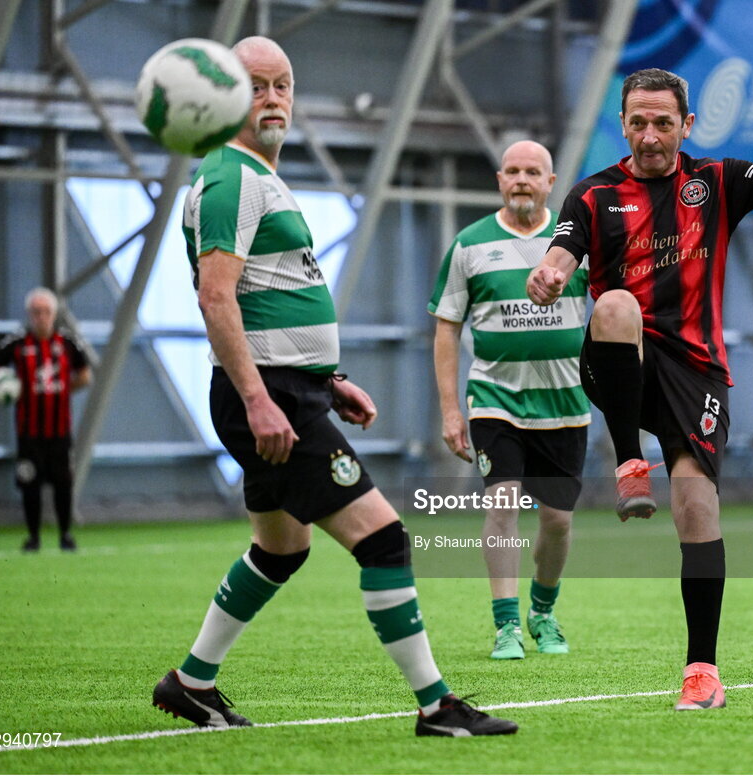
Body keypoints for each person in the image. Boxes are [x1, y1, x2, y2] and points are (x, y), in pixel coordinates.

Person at [151, 36, 516, 737]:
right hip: (270, 400)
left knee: (281, 550)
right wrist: (261, 397)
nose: (273, 97)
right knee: (384, 540)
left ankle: (191, 682)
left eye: (283, 83)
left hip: (290, 392)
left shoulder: (255, 175)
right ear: (225, 97)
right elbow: (216, 297)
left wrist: (330, 378)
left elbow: (268, 293)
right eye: (255, 85)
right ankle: (437, 705)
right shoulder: (232, 177)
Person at [527, 68, 753, 710]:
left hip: (697, 371)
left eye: (662, 123)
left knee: (697, 511)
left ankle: (703, 671)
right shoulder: (592, 196)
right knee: (615, 303)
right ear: (622, 125)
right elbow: (559, 257)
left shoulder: (716, 183)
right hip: (620, 365)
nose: (649, 136)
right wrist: (548, 276)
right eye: (638, 123)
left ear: (687, 125)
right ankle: (626, 462)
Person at [429, 141, 589, 660]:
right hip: (495, 401)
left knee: (557, 521)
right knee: (501, 505)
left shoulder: (575, 247)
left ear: (550, 182)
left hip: (565, 401)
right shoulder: (470, 245)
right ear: (500, 180)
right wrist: (452, 409)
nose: (522, 179)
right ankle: (506, 627)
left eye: (533, 172)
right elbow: (446, 329)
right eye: (513, 171)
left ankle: (542, 612)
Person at [0, 287, 92, 552]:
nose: (41, 317)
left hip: (60, 430)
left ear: (54, 314)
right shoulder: (17, 343)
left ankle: (65, 535)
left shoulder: (68, 343)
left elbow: (85, 375)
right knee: (30, 483)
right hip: (29, 431)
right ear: (29, 314)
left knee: (64, 483)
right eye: (36, 312)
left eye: (46, 312)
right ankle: (34, 538)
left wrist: (62, 388)